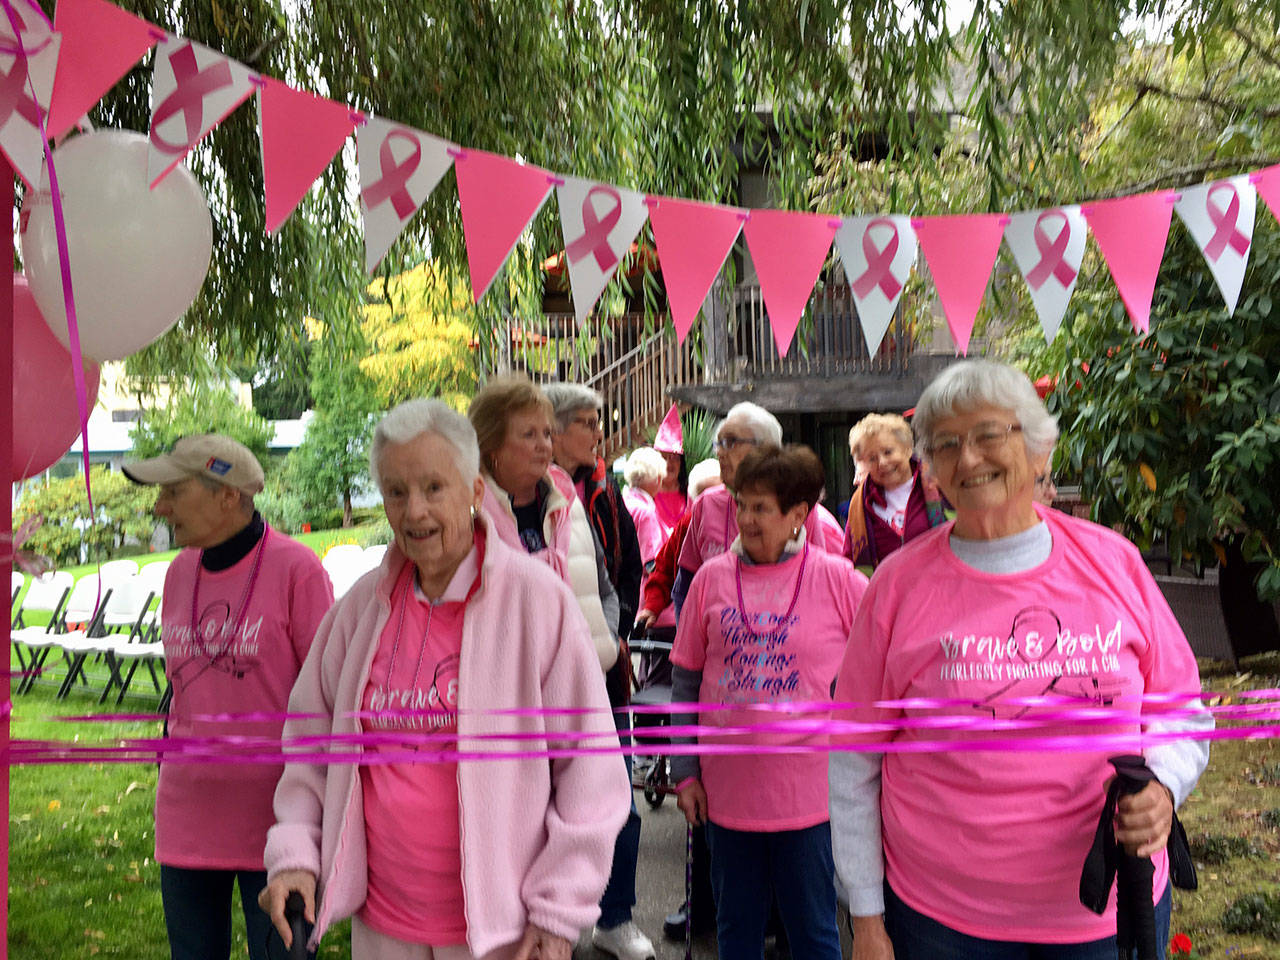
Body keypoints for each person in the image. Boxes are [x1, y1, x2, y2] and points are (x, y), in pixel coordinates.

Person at [829, 360, 1213, 960]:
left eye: (989, 435)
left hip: (1103, 912)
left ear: (1039, 452)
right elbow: (854, 756)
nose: (970, 458)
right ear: (931, 471)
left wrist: (1164, 783)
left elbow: (1182, 709)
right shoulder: (897, 586)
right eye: (948, 444)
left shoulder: (1114, 564)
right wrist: (866, 916)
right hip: (942, 920)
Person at [259, 399, 631, 960]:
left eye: (434, 487)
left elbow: (590, 773)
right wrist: (295, 854)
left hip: (502, 935)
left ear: (476, 491)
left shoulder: (538, 606)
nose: (414, 512)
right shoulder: (360, 611)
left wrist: (558, 911)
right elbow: (310, 747)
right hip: (383, 927)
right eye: (396, 491)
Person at [122, 434, 334, 960]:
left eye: (174, 490)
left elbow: (326, 697)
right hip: (187, 815)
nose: (160, 506)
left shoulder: (297, 570)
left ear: (229, 494)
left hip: (277, 820)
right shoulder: (178, 572)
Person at [671, 444, 869, 960]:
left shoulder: (839, 580)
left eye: (762, 508)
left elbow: (875, 679)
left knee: (814, 933)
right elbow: (686, 683)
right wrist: (684, 771)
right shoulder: (711, 579)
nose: (747, 519)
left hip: (811, 798)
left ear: (798, 515)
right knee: (736, 933)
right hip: (728, 796)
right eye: (742, 505)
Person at [542, 382, 655, 960]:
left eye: (596, 420)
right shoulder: (526, 497)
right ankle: (556, 917)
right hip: (541, 687)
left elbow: (626, 574)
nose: (598, 431)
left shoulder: (606, 494)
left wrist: (613, 637)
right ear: (553, 430)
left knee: (621, 802)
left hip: (604, 675)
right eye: (586, 421)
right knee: (544, 804)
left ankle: (615, 917)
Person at [635, 402, 839, 633]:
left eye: (730, 442)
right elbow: (685, 588)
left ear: (765, 449)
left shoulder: (799, 508)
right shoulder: (705, 505)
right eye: (718, 443)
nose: (719, 451)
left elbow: (818, 584)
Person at [467, 375, 619, 673]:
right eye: (529, 435)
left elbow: (605, 590)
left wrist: (605, 641)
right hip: (509, 695)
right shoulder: (468, 518)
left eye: (547, 434)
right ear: (491, 446)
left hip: (585, 684)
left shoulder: (567, 505)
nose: (544, 446)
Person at [842, 412, 947, 571]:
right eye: (872, 458)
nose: (882, 462)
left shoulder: (941, 486)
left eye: (888, 452)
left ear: (907, 449)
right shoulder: (859, 506)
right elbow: (850, 564)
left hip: (942, 590)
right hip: (885, 594)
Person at [651, 403, 690, 530]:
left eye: (674, 457)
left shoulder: (690, 493)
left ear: (681, 463)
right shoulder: (649, 493)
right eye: (664, 457)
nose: (669, 463)